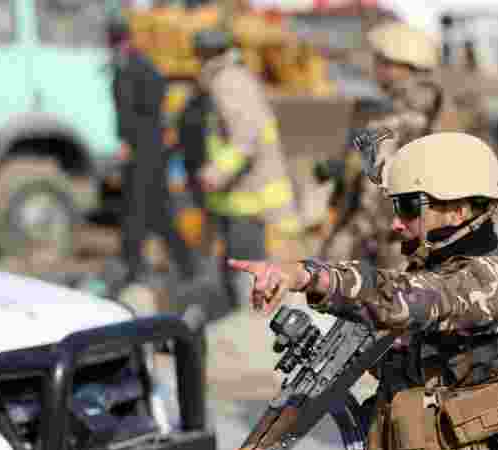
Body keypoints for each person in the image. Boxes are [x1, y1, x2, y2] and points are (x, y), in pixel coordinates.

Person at [230, 132, 498, 450]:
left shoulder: (489, 281)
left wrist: (305, 276)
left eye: (410, 208)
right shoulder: (445, 269)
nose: (397, 224)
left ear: (458, 210)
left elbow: (403, 298)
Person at [317, 20, 443, 269]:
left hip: (395, 243)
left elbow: (373, 196)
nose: (375, 69)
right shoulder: (433, 107)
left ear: (398, 66)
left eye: (380, 62)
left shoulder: (396, 120)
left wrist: (343, 243)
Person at [192, 27, 297, 306]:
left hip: (247, 197)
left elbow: (247, 135)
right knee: (238, 266)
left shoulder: (228, 82)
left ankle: (250, 323)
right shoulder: (229, 77)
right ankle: (244, 315)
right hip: (238, 196)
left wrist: (217, 172)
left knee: (246, 269)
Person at [106, 13, 195, 292]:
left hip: (141, 149)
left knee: (136, 208)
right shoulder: (146, 63)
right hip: (154, 146)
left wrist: (126, 143)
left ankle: (132, 268)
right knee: (157, 210)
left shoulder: (127, 66)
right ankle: (186, 264)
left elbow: (128, 109)